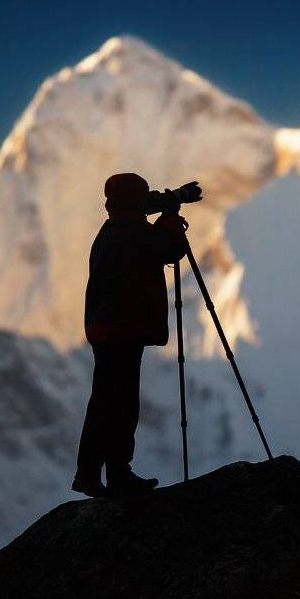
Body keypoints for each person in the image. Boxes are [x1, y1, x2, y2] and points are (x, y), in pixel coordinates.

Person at [72, 173, 202, 497]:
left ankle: (90, 474)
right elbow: (169, 248)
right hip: (122, 332)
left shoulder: (113, 230)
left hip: (106, 331)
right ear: (134, 201)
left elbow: (149, 240)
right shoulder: (131, 232)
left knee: (104, 402)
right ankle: (117, 473)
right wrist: (171, 214)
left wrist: (167, 204)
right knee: (122, 404)